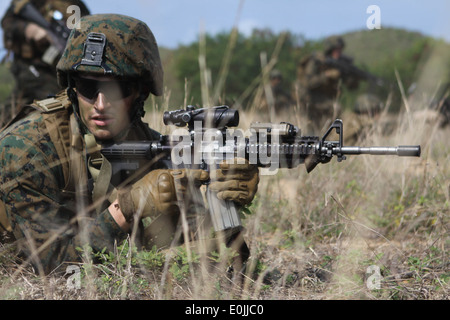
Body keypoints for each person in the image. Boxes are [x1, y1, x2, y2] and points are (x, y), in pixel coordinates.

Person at [0, 14, 259, 275]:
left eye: (116, 89)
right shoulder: (27, 149)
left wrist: (222, 194)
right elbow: (51, 266)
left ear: (140, 93)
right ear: (71, 88)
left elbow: (198, 248)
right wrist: (127, 207)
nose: (100, 105)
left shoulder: (148, 145)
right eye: (88, 87)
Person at [0, 0, 90, 127]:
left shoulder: (74, 5)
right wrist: (29, 29)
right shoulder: (28, 3)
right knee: (44, 102)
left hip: (62, 68)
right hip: (32, 66)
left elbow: (86, 28)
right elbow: (8, 23)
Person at [296, 36, 360, 133]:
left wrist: (350, 76)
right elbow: (308, 83)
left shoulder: (340, 64)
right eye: (336, 50)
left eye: (340, 50)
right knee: (335, 109)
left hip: (325, 101)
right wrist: (327, 75)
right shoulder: (316, 61)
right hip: (310, 100)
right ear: (329, 49)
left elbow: (352, 87)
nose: (339, 52)